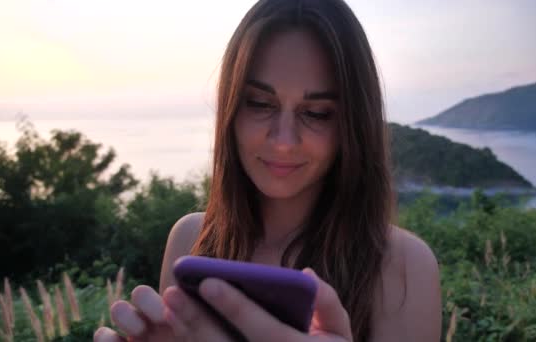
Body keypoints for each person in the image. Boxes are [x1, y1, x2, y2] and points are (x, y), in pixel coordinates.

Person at [94, 0, 442, 341]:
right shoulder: (191, 240)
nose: (283, 141)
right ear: (230, 108)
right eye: (260, 104)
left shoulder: (402, 267)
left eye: (317, 112)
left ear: (352, 125)